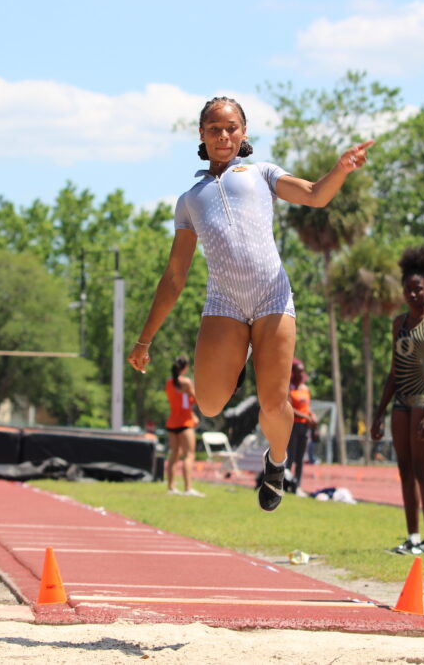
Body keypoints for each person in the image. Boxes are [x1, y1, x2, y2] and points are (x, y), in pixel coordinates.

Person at [127, 96, 373, 512]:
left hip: (272, 296)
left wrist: (341, 169)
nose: (223, 135)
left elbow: (315, 195)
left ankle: (276, 464)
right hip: (224, 302)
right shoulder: (190, 199)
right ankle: (237, 360)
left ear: (244, 134)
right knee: (208, 404)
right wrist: (144, 339)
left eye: (231, 128)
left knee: (274, 402)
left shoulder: (261, 173)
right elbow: (174, 277)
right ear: (201, 136)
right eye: (214, 128)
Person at [370, 245, 424, 556]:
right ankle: (413, 537)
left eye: (418, 288)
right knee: (404, 469)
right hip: (401, 402)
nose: (413, 294)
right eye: (408, 289)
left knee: (422, 469)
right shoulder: (398, 323)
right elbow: (393, 371)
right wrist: (379, 413)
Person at [164, 355, 202, 496]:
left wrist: (192, 413)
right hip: (185, 423)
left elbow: (180, 401)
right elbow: (197, 400)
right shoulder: (186, 382)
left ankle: (171, 487)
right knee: (189, 455)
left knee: (174, 454)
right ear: (185, 368)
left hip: (172, 422)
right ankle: (188, 488)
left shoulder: (168, 383)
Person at [286, 359, 317, 494]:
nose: (301, 374)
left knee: (300, 458)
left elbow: (306, 408)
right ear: (293, 373)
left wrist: (312, 415)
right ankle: (285, 483)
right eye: (298, 371)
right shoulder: (289, 388)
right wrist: (306, 417)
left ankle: (297, 485)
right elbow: (289, 408)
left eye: (302, 371)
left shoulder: (305, 389)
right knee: (290, 457)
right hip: (293, 426)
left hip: (304, 427)